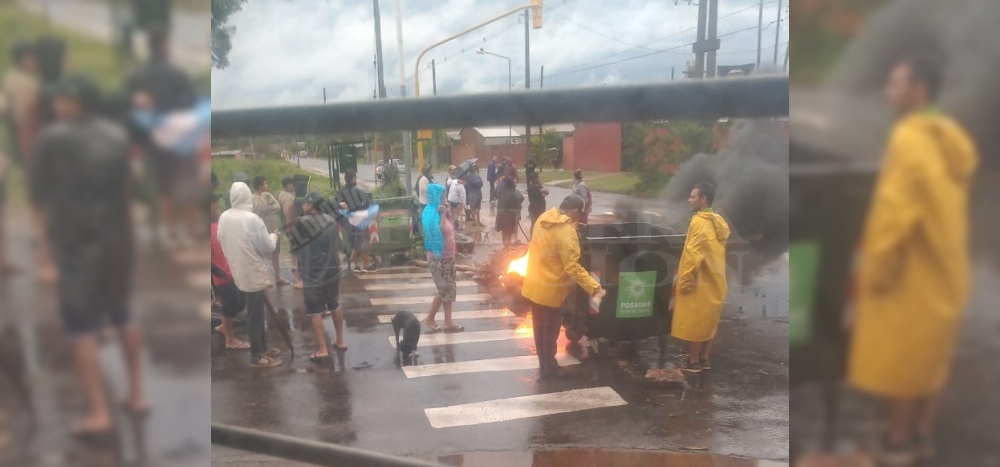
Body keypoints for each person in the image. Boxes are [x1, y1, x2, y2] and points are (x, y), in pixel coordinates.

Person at [846, 52, 978, 465]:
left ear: (918, 90)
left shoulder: (908, 139)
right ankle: (922, 434)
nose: (889, 91)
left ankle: (896, 442)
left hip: (913, 271)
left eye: (896, 84)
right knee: (933, 356)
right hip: (948, 270)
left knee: (903, 359)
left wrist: (875, 273)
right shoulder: (950, 138)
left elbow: (894, 216)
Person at [29, 76, 148, 436]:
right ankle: (137, 393)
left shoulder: (51, 138)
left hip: (75, 244)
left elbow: (39, 199)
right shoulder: (115, 135)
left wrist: (44, 256)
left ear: (74, 102)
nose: (56, 104)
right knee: (123, 315)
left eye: (61, 98)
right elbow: (127, 191)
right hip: (116, 241)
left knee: (81, 328)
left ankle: (99, 413)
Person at [126, 27, 200, 245]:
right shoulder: (175, 74)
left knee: (164, 189)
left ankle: (171, 233)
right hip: (179, 136)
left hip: (154, 139)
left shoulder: (138, 76)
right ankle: (192, 233)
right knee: (187, 186)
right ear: (163, 46)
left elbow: (131, 107)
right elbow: (192, 100)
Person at [521, 195, 604, 378]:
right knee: (550, 331)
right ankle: (550, 368)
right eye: (580, 213)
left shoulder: (544, 218)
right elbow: (572, 267)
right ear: (574, 211)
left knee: (539, 328)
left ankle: (544, 363)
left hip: (534, 284)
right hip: (552, 288)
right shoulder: (566, 232)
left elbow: (552, 239)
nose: (581, 217)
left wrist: (573, 226)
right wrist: (594, 287)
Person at [217, 181, 283, 369]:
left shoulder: (224, 217)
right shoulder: (252, 219)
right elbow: (267, 247)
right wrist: (274, 236)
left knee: (256, 312)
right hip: (254, 272)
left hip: (238, 270)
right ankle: (257, 356)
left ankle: (262, 348)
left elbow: (222, 239)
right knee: (255, 315)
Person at [671, 182, 730, 373]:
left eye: (693, 196)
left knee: (696, 322)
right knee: (709, 322)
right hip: (717, 281)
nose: (689, 200)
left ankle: (693, 361)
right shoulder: (718, 221)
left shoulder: (698, 222)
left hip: (701, 281)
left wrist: (685, 281)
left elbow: (692, 256)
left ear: (703, 199)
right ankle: (705, 359)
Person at [294, 192, 348, 362]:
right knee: (334, 305)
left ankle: (323, 349)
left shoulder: (301, 222)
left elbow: (296, 248)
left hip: (312, 273)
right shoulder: (331, 221)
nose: (302, 206)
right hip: (332, 271)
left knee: (315, 310)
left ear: (311, 205)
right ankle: (340, 340)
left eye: (305, 204)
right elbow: (337, 245)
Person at [421, 184, 463, 333]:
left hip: (448, 256)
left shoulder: (443, 209)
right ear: (435, 196)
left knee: (450, 288)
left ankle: (448, 321)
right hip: (437, 257)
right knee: (443, 288)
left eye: (444, 195)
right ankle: (429, 318)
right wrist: (443, 214)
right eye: (442, 195)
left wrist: (448, 213)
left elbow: (450, 230)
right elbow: (437, 230)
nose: (444, 198)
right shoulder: (430, 212)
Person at [211, 193, 248, 350]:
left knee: (240, 303)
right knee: (230, 305)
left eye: (217, 202)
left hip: (232, 270)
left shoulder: (219, 222)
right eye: (214, 203)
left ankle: (223, 326)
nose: (217, 206)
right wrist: (219, 272)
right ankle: (230, 339)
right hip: (222, 274)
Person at [251, 176, 288, 286]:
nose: (267, 185)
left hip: (273, 229)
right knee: (262, 255)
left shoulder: (268, 195)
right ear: (260, 186)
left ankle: (278, 277)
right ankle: (264, 278)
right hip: (261, 230)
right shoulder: (253, 198)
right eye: (265, 183)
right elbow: (258, 210)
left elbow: (277, 207)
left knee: (275, 253)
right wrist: (266, 205)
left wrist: (267, 209)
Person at [336, 170, 374, 272]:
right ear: (353, 179)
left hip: (348, 223)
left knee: (354, 243)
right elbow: (367, 206)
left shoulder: (340, 193)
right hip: (360, 222)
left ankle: (356, 265)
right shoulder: (359, 192)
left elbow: (337, 205)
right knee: (363, 242)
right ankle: (367, 265)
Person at [278, 176, 302, 288]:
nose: (293, 186)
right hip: (292, 226)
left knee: (294, 251)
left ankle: (296, 273)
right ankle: (297, 277)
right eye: (292, 184)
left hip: (289, 225)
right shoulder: (287, 197)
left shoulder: (284, 195)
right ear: (288, 185)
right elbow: (288, 212)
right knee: (296, 252)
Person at [495, 177, 523, 245]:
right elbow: (521, 199)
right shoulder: (515, 192)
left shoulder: (501, 192)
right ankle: (510, 243)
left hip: (501, 214)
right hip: (511, 215)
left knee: (504, 230)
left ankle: (504, 244)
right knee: (511, 231)